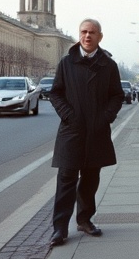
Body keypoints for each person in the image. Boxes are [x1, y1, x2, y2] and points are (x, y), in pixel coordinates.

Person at [47, 18, 124, 246]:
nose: (87, 36)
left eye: (92, 32)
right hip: (72, 130)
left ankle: (85, 220)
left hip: (97, 131)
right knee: (66, 179)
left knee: (91, 179)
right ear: (78, 35)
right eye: (83, 32)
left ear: (100, 36)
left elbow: (117, 95)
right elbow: (55, 93)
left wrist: (105, 117)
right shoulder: (66, 63)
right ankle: (59, 229)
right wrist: (68, 115)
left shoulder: (108, 65)